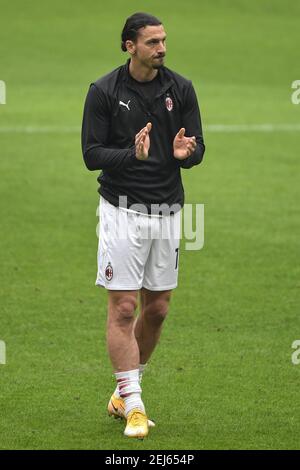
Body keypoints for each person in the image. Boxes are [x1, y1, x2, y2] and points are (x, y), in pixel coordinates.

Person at [81, 12, 205, 439]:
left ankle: (122, 391)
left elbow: (199, 144)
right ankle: (133, 403)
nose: (162, 48)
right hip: (121, 211)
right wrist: (129, 156)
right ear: (129, 46)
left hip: (169, 211)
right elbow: (91, 154)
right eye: (152, 42)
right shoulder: (103, 90)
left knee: (158, 308)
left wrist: (187, 152)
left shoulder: (181, 88)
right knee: (124, 307)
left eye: (164, 40)